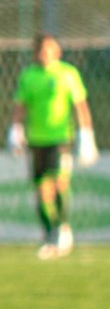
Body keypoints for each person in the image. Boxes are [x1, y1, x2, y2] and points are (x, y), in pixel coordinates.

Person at [7, 33, 98, 259]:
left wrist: (86, 135)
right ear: (36, 53)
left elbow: (80, 105)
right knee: (41, 189)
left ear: (57, 51)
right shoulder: (29, 76)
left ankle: (63, 228)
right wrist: (15, 130)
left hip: (61, 139)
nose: (45, 53)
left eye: (49, 49)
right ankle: (49, 235)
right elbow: (20, 105)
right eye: (41, 50)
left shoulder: (68, 74)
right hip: (37, 139)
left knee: (59, 182)